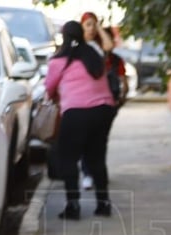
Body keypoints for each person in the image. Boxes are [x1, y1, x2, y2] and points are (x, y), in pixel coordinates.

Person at [45, 21, 116, 220]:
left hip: (76, 113)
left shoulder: (58, 61)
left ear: (64, 37)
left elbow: (49, 90)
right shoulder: (93, 56)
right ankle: (103, 204)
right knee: (97, 158)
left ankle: (73, 207)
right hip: (103, 111)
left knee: (68, 158)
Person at [78, 15, 125, 191]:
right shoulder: (78, 46)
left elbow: (109, 47)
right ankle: (87, 173)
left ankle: (98, 173)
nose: (91, 28)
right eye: (87, 25)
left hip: (101, 100)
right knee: (85, 139)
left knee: (99, 140)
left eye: (93, 25)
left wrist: (98, 29)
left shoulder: (98, 47)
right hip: (82, 99)